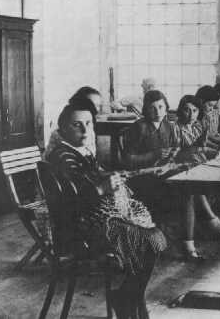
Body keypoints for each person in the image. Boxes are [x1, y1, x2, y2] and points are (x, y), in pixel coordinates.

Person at [46, 100, 166, 315]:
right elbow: (71, 204)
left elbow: (86, 182)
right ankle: (128, 298)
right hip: (79, 232)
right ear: (62, 128)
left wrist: (108, 177)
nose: (85, 130)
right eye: (77, 125)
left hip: (92, 222)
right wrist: (101, 189)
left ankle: (128, 297)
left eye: (89, 124)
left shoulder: (78, 152)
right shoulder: (63, 157)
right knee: (150, 239)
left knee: (152, 237)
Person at [175, 95, 220, 260]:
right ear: (180, 111)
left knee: (208, 178)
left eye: (194, 110)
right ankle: (210, 224)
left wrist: (214, 152)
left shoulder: (197, 126)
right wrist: (199, 151)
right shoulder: (175, 128)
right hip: (177, 169)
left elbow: (201, 148)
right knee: (192, 188)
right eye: (186, 110)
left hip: (192, 167)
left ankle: (210, 223)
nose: (191, 114)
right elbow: (177, 153)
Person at [44, 86, 101, 158]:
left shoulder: (89, 130)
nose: (95, 109)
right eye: (89, 103)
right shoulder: (65, 136)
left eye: (98, 105)